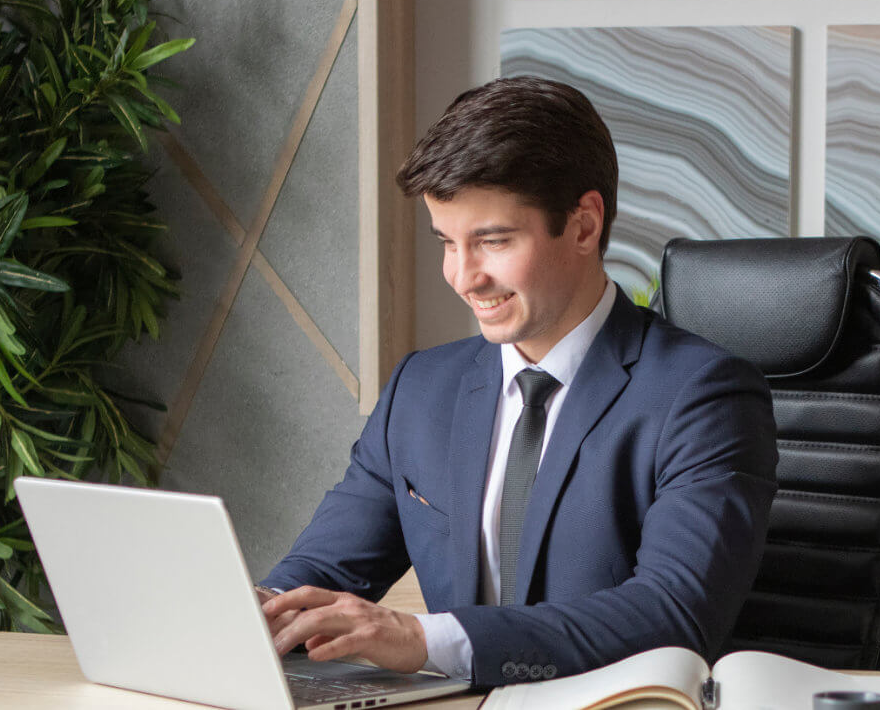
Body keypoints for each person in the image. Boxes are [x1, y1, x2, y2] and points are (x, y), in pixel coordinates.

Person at [259, 76, 778, 688]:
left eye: (493, 241)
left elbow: (673, 615)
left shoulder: (705, 396)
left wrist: (424, 639)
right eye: (448, 243)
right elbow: (321, 574)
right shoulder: (419, 390)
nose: (463, 277)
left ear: (583, 225)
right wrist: (255, 613)